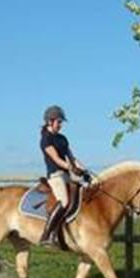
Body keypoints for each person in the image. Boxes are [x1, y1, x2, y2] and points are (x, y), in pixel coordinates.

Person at [39, 105, 89, 246]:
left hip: (67, 174)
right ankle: (47, 235)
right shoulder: (46, 139)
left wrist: (84, 170)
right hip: (56, 175)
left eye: (61, 122)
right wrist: (72, 168)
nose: (60, 125)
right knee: (65, 202)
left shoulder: (62, 139)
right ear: (50, 121)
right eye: (58, 122)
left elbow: (72, 158)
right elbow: (57, 160)